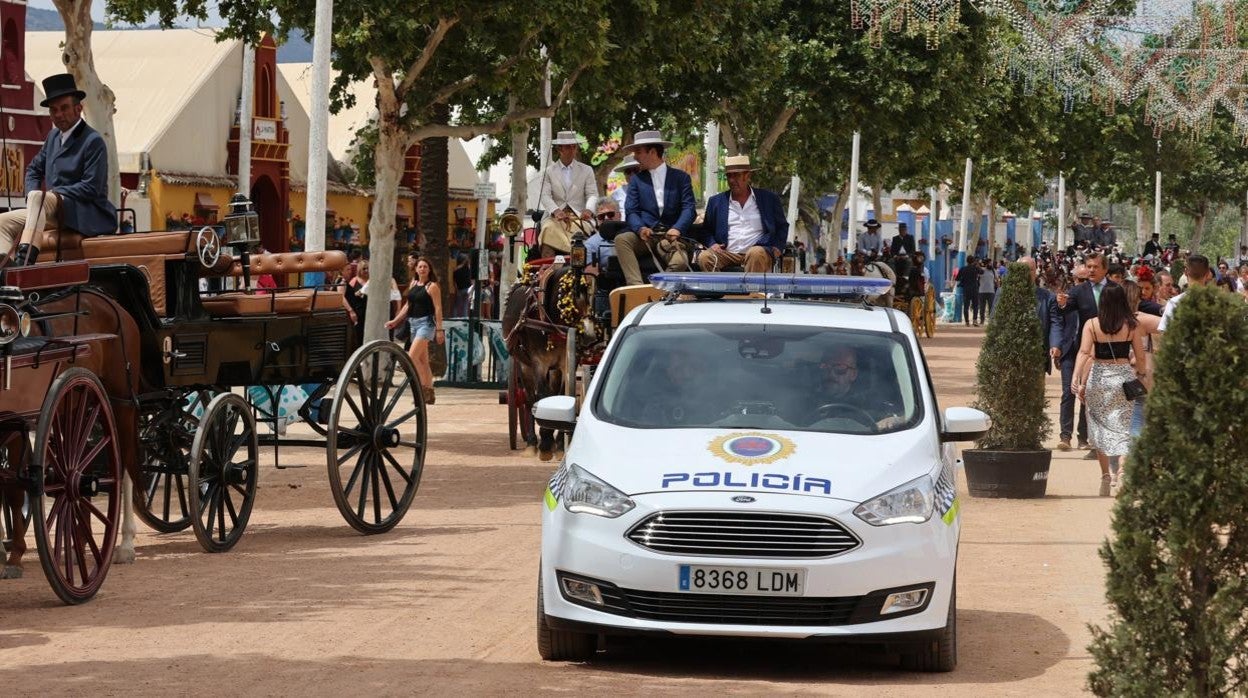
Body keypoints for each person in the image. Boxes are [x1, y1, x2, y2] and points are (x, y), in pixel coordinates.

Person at [0, 74, 118, 268]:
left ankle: (24, 266)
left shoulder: (93, 141)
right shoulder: (53, 137)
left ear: (78, 109)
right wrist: (31, 196)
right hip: (49, 210)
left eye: (64, 108)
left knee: (40, 198)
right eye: (53, 110)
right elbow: (33, 169)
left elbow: (91, 188)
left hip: (84, 213)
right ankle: (6, 274)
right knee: (2, 221)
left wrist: (53, 196)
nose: (58, 114)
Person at [1072, 284, 1147, 497]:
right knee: (1123, 427)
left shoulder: (1092, 325)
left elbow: (1085, 353)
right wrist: (1140, 374)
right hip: (1123, 378)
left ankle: (1106, 477)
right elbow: (1140, 357)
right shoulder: (1131, 324)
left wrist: (1077, 378)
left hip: (1099, 379)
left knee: (1098, 427)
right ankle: (1122, 472)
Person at [615, 130, 696, 286]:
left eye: (638, 152)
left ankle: (660, 290)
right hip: (646, 235)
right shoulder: (637, 180)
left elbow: (689, 209)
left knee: (681, 261)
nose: (635, 157)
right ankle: (636, 288)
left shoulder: (681, 178)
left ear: (652, 152)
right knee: (621, 240)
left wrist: (677, 229)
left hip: (671, 236)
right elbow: (631, 211)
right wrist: (640, 229)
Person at [697, 155, 788, 273]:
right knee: (705, 257)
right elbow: (706, 230)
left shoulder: (768, 199)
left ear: (748, 176)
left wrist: (777, 248)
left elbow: (782, 226)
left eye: (736, 175)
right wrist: (712, 244)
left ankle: (754, 291)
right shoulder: (716, 202)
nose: (731, 180)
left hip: (758, 253)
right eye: (729, 176)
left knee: (755, 253)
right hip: (726, 253)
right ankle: (719, 290)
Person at [386, 257, 443, 404]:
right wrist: (395, 321)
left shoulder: (432, 286)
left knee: (411, 358)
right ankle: (429, 394)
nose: (422, 269)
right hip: (413, 324)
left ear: (429, 269)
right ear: (416, 269)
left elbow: (438, 308)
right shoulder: (413, 284)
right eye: (420, 267)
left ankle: (421, 391)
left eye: (425, 267)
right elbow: (407, 306)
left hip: (426, 324)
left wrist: (439, 329)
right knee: (423, 361)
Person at [537, 130, 598, 258]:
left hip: (580, 217)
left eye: (574, 146)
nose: (572, 150)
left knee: (583, 235)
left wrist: (589, 209)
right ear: (560, 149)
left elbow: (592, 193)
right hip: (555, 218)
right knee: (547, 229)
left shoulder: (587, 170)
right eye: (568, 147)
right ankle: (548, 268)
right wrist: (556, 210)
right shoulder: (548, 171)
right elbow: (544, 195)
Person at [1159, 254, 1213, 333]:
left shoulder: (1175, 303)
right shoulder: (1218, 302)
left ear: (1186, 272)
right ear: (1208, 273)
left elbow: (1165, 334)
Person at [956, 256, 981, 326]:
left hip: (966, 290)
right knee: (975, 306)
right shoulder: (975, 268)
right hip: (974, 289)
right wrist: (977, 265)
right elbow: (982, 272)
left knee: (966, 306)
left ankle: (967, 322)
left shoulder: (963, 269)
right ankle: (975, 320)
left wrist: (963, 279)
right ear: (973, 261)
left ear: (967, 261)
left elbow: (957, 278)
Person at [976, 258, 997, 324]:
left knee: (991, 307)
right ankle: (982, 320)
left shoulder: (993, 271)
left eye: (991, 263)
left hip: (991, 291)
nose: (991, 264)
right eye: (990, 263)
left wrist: (998, 287)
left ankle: (991, 320)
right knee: (982, 307)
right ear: (986, 263)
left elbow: (997, 279)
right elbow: (977, 278)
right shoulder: (981, 270)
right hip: (982, 291)